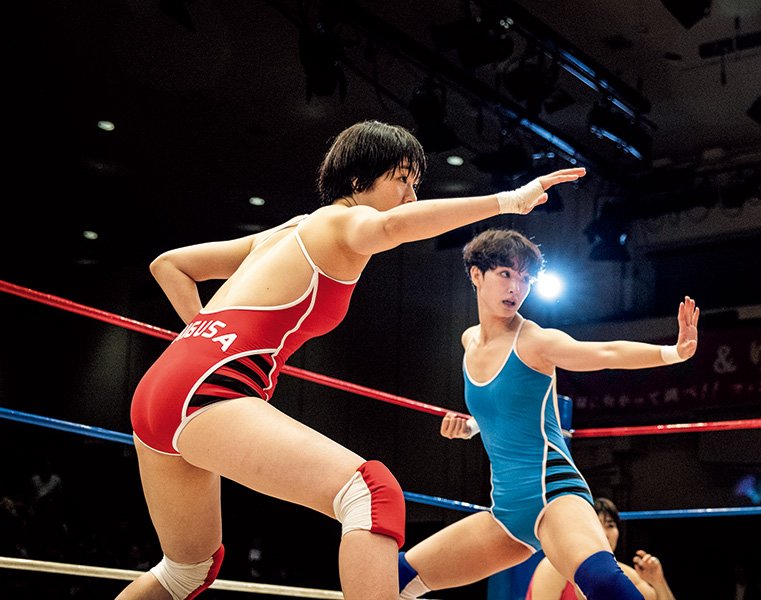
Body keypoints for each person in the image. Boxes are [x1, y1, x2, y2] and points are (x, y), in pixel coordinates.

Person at [115, 121, 586, 600]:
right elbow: (393, 227)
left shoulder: (288, 230)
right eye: (402, 180)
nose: (410, 196)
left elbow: (170, 264)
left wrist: (204, 336)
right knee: (372, 492)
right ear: (360, 179)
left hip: (165, 385)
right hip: (207, 389)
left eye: (415, 185)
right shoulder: (342, 221)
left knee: (187, 569)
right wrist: (509, 201)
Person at [397, 229, 699, 600]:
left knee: (607, 587)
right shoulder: (468, 340)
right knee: (394, 576)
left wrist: (672, 353)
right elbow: (509, 405)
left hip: (554, 496)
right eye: (506, 274)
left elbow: (604, 354)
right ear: (477, 275)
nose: (516, 288)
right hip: (506, 512)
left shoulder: (535, 341)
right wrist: (472, 427)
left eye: (525, 279)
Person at [525, 497, 676, 600]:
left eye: (610, 525)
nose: (604, 533)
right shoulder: (553, 568)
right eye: (596, 525)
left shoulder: (626, 576)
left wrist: (658, 581)